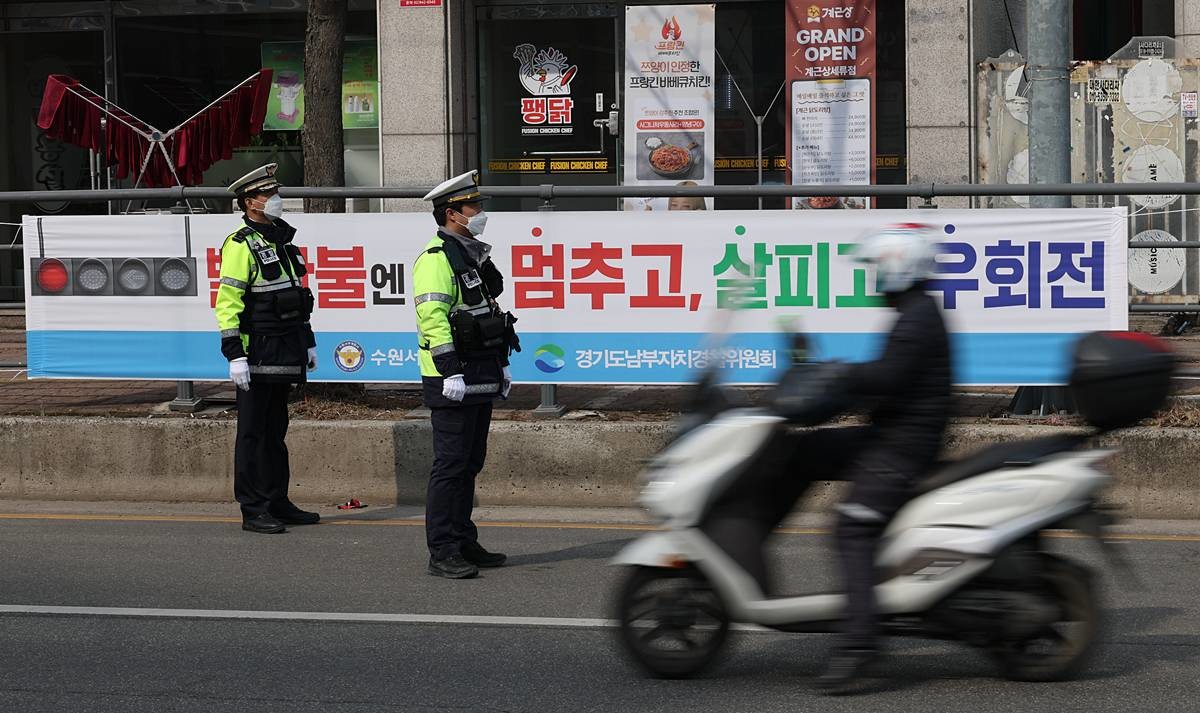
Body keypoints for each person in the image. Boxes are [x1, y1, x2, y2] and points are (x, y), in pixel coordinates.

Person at [817, 223, 952, 693]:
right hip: (889, 434)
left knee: (852, 526)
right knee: (802, 452)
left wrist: (836, 376)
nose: (873, 279)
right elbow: (882, 380)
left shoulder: (915, 319)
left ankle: (860, 647)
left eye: (878, 268)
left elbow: (884, 378)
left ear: (898, 266)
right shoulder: (913, 310)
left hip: (902, 446)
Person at [414, 170, 520, 579]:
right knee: (451, 464)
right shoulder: (436, 259)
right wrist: (449, 371)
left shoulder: (469, 255)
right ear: (453, 213)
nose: (480, 212)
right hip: (452, 377)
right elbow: (432, 317)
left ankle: (463, 539)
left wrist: (502, 362)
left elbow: (487, 313)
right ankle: (441, 549)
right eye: (474, 207)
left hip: (480, 368)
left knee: (470, 462)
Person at [214, 163, 320, 534]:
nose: (276, 200)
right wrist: (235, 354)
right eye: (268, 194)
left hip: (285, 348)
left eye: (276, 193)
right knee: (253, 432)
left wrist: (307, 342)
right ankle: (253, 508)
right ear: (250, 202)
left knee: (276, 429)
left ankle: (277, 500)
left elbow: (297, 298)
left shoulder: (282, 241)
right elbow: (228, 301)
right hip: (255, 351)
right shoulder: (241, 244)